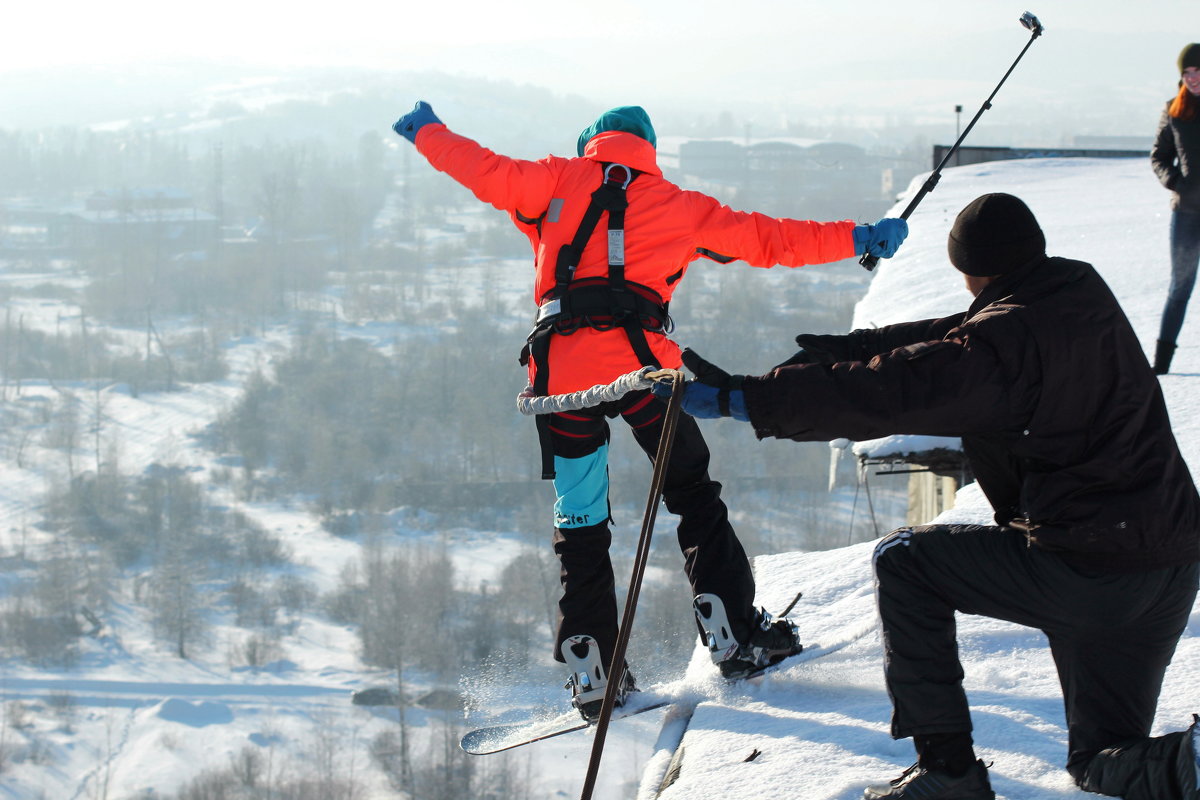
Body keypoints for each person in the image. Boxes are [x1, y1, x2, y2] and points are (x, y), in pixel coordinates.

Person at [662, 193, 1200, 799]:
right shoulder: (1075, 289)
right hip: (1169, 564)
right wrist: (832, 353)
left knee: (907, 564)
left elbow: (897, 389)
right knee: (1101, 761)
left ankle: (949, 774)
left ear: (970, 268)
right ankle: (1191, 762)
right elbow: (943, 339)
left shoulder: (1001, 347)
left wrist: (745, 400)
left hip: (1087, 566)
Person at [390, 101, 908, 719]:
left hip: (561, 379)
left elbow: (481, 168)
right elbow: (772, 238)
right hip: (645, 373)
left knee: (580, 517)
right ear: (648, 149)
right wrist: (857, 237)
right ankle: (732, 629)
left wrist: (428, 131)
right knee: (691, 490)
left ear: (592, 145)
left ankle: (591, 662)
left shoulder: (555, 180)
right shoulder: (681, 206)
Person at [1151, 42, 1200, 374]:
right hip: (1187, 213)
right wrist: (1176, 183)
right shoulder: (1174, 110)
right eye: (1187, 73)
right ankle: (1162, 365)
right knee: (1179, 287)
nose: (1193, 78)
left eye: (1198, 71)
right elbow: (1158, 157)